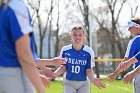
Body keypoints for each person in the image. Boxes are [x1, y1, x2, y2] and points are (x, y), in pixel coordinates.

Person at [0, 0, 66, 93]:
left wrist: (46, 66)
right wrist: (40, 88)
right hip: (13, 79)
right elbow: (24, 55)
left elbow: (12, 55)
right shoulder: (16, 6)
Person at [54, 26, 106, 93]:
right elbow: (63, 68)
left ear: (84, 36)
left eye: (80, 35)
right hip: (69, 82)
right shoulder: (65, 50)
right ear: (71, 36)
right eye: (75, 35)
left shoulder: (89, 52)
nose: (77, 37)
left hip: (84, 83)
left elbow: (89, 70)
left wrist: (93, 79)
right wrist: (53, 74)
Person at [108, 17, 140, 93]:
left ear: (138, 27)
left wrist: (114, 74)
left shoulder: (135, 40)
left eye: (131, 27)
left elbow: (126, 61)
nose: (129, 29)